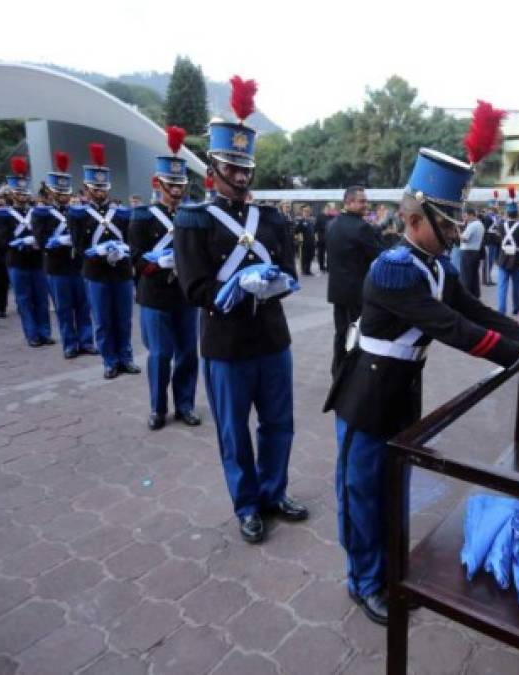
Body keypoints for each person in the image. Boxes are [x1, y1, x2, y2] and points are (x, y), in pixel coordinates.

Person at [324, 145, 519, 625]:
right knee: (363, 495)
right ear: (416, 219)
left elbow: (476, 312)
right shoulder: (395, 268)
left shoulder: (435, 264)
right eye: (447, 222)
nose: (455, 232)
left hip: (400, 393)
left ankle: (388, 572)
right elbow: (455, 330)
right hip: (367, 398)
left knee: (392, 490)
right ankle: (364, 581)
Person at [174, 77, 308, 545]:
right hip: (226, 345)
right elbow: (194, 285)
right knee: (235, 432)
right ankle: (247, 504)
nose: (242, 174)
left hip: (272, 340)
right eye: (232, 165)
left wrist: (277, 283)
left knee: (279, 424)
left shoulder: (269, 218)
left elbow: (290, 271)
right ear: (213, 167)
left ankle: (273, 493)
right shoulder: (192, 219)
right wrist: (233, 286)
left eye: (245, 165)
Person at [128, 128, 201, 431]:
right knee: (160, 355)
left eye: (180, 184)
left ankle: (185, 404)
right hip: (156, 295)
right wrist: (157, 263)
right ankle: (158, 408)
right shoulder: (143, 216)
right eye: (171, 184)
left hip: (184, 295)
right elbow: (135, 259)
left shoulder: (191, 215)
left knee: (187, 353)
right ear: (157, 184)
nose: (176, 190)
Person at [67, 143, 139, 379]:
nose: (99, 192)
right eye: (94, 188)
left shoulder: (121, 213)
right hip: (96, 273)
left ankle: (126, 358)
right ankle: (109, 360)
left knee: (124, 318)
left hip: (121, 272)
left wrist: (122, 250)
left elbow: (131, 241)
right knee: (102, 319)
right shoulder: (77, 214)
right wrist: (95, 251)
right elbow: (77, 246)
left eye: (102, 188)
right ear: (87, 189)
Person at [32, 151, 97, 359]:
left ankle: (86, 341)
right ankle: (70, 343)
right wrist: (56, 242)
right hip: (57, 266)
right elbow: (40, 242)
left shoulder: (80, 211)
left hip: (78, 265)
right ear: (51, 193)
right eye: (59, 192)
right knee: (64, 308)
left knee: (84, 306)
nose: (63, 196)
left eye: (65, 192)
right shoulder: (41, 214)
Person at [0, 157, 54, 347]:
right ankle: (32, 335)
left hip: (36, 261)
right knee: (24, 300)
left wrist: (39, 242)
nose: (22, 196)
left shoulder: (36, 212)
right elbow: (3, 240)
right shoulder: (3, 214)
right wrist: (22, 241)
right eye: (18, 193)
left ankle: (45, 332)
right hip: (17, 261)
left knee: (41, 299)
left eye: (24, 193)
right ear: (12, 194)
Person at [326, 186, 382, 376]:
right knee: (358, 334)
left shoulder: (332, 224)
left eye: (366, 201)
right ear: (348, 202)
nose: (366, 205)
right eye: (362, 201)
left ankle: (338, 371)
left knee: (341, 333)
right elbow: (377, 256)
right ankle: (351, 375)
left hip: (337, 290)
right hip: (357, 291)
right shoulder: (361, 227)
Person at [494, 200, 519, 315]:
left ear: (507, 213)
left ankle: (501, 309)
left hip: (503, 257)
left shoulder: (500, 225)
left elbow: (498, 239)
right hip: (516, 258)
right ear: (517, 213)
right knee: (516, 286)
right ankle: (516, 307)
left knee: (502, 286)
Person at [458, 207, 484, 296]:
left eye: (465, 216)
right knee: (474, 276)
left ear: (471, 215)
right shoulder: (480, 224)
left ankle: (466, 296)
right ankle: (475, 294)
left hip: (467, 252)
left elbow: (464, 239)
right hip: (475, 251)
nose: (464, 218)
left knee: (466, 276)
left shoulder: (472, 225)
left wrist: (458, 231)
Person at [482, 207, 500, 286]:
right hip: (489, 242)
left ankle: (489, 278)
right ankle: (486, 279)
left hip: (494, 241)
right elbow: (485, 230)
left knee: (491, 261)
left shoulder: (495, 218)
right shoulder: (487, 218)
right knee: (488, 261)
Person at [315, 203, 332, 272]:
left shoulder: (331, 217)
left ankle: (328, 267)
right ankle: (321, 267)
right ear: (324, 209)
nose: (328, 211)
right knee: (321, 253)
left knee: (329, 253)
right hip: (321, 237)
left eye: (329, 209)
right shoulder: (319, 216)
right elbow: (316, 227)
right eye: (327, 209)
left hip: (329, 237)